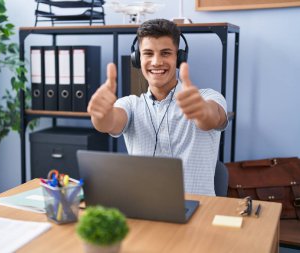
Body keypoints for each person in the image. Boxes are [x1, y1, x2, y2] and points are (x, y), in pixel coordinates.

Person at [87, 19, 228, 196]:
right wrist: (101, 114)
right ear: (138, 58)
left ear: (179, 57)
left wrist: (202, 112)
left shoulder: (208, 97)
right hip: (146, 210)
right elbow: (109, 122)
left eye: (165, 53)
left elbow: (212, 118)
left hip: (199, 212)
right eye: (148, 53)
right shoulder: (130, 104)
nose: (156, 62)